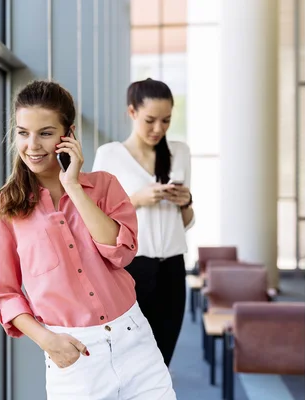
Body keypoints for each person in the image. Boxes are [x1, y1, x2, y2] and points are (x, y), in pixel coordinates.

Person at [0, 80, 176, 399]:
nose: (32, 145)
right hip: (74, 354)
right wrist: (48, 341)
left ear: (68, 135)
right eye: (23, 132)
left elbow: (121, 253)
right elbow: (7, 294)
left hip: (134, 342)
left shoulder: (104, 186)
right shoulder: (6, 207)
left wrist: (73, 186)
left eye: (45, 133)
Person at [92, 78, 194, 367]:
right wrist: (136, 200)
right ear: (132, 113)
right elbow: (95, 219)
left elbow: (184, 223)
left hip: (173, 267)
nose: (158, 129)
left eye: (166, 120)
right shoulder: (110, 154)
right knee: (128, 360)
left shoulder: (180, 152)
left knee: (162, 360)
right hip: (131, 267)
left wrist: (185, 201)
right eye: (150, 120)